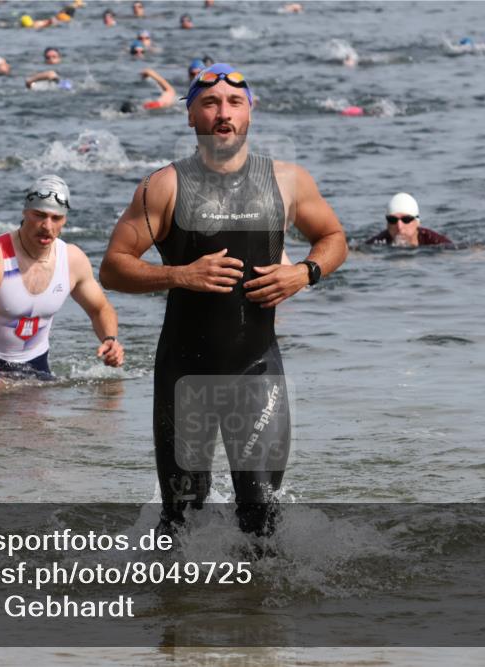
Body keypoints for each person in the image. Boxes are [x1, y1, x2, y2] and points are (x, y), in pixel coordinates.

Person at [99, 63, 347, 536]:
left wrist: (304, 272)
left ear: (250, 112)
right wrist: (180, 274)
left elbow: (333, 237)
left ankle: (255, 588)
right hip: (184, 373)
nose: (223, 113)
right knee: (182, 518)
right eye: (209, 103)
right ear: (190, 115)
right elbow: (112, 268)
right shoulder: (164, 186)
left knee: (262, 516)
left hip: (257, 369)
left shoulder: (288, 181)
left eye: (234, 103)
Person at [0, 175, 124, 380]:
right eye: (39, 215)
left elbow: (100, 308)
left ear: (64, 220)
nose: (47, 226)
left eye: (56, 218)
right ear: (25, 212)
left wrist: (110, 339)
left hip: (38, 369)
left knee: (111, 393)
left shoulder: (72, 260)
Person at [365, 193, 452, 247]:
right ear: (387, 224)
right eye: (392, 220)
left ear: (417, 222)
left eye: (406, 220)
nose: (399, 227)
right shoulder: (378, 242)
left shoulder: (435, 241)